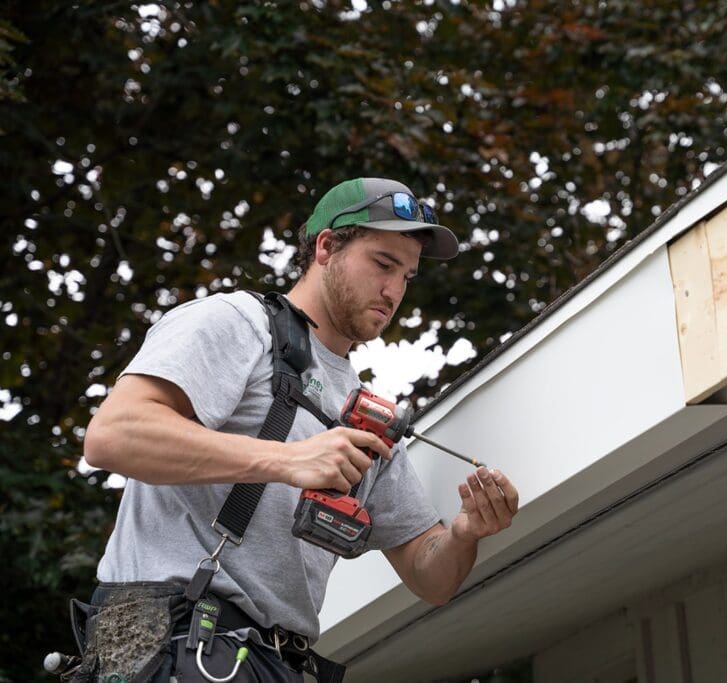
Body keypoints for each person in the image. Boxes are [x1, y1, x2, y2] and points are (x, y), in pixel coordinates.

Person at [80, 177, 520, 682]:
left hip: (275, 663)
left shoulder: (368, 416)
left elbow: (432, 575)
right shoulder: (238, 323)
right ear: (327, 247)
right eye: (382, 263)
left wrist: (465, 533)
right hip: (175, 643)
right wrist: (287, 460)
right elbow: (113, 435)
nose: (394, 290)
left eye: (407, 276)